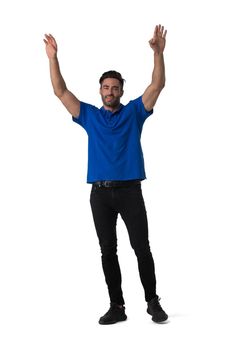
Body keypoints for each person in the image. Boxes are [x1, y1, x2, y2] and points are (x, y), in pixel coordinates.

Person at [44, 24, 168, 325]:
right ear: (100, 91)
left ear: (121, 91)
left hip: (129, 191)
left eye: (115, 87)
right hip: (100, 194)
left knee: (141, 247)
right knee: (107, 250)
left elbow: (157, 85)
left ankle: (152, 302)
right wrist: (53, 59)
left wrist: (158, 54)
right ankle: (117, 306)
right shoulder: (89, 116)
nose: (110, 91)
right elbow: (60, 91)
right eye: (105, 87)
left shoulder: (134, 112)